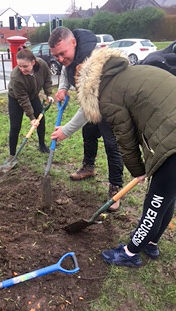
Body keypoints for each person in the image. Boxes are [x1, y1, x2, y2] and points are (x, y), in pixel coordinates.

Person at [50, 45, 176, 268]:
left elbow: (125, 140)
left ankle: (130, 252)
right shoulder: (125, 74)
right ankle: (151, 242)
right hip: (170, 130)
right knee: (167, 198)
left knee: (154, 203)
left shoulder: (107, 95)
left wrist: (138, 171)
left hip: (172, 141)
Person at [48, 27, 124, 212]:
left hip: (110, 105)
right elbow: (66, 71)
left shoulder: (91, 61)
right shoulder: (71, 57)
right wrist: (63, 88)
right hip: (94, 105)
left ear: (73, 42)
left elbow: (88, 105)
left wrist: (65, 130)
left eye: (62, 53)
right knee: (89, 131)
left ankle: (116, 189)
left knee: (111, 145)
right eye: (56, 56)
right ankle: (88, 167)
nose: (60, 59)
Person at [4, 48, 54, 165]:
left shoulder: (42, 65)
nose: (22, 69)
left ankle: (42, 145)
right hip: (16, 99)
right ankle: (12, 155)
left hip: (33, 95)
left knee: (41, 120)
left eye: (25, 66)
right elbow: (23, 99)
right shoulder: (16, 77)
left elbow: (47, 78)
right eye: (19, 66)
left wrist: (48, 94)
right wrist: (31, 118)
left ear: (33, 62)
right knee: (15, 126)